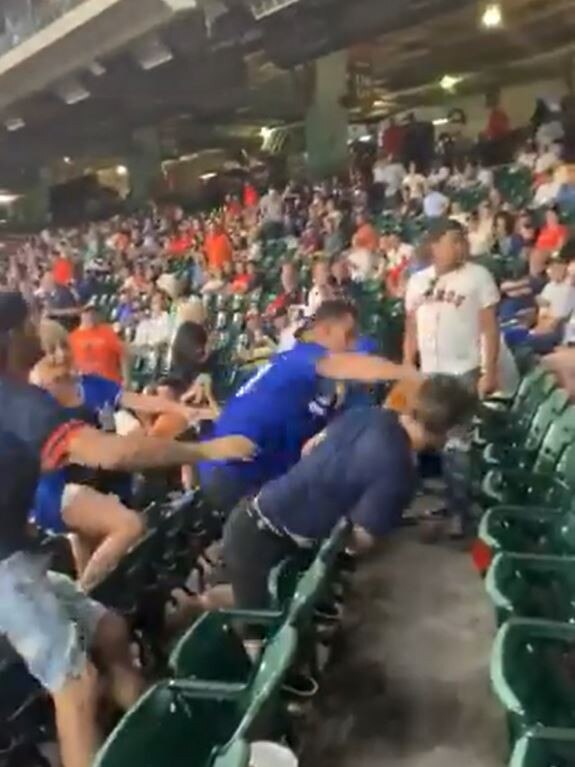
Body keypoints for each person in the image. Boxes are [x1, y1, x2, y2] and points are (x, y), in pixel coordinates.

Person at [0, 292, 251, 767]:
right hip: (4, 568)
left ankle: (166, 739)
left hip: (22, 557)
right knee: (75, 686)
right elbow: (114, 454)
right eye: (31, 325)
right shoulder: (16, 400)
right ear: (10, 337)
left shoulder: (24, 395)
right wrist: (206, 452)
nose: (42, 333)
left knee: (112, 630)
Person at [222, 375, 477, 613]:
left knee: (258, 600)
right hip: (260, 538)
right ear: (448, 430)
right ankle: (190, 608)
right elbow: (357, 543)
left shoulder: (368, 413)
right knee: (259, 637)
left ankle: (192, 605)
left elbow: (309, 448)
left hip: (261, 518)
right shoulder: (400, 471)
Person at [198, 299, 418, 513]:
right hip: (233, 471)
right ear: (324, 331)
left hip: (239, 470)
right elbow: (352, 367)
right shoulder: (303, 356)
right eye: (348, 336)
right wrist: (413, 375)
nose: (353, 345)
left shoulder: (308, 374)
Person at [403, 218, 500, 537]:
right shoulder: (417, 281)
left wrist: (490, 370)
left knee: (457, 445)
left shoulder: (478, 276)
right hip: (430, 373)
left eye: (462, 240)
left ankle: (460, 514)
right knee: (425, 439)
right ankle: (437, 502)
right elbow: (411, 329)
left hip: (463, 373)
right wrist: (407, 364)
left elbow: (489, 328)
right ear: (435, 245)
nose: (460, 246)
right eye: (452, 240)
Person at [69, 300, 126, 384]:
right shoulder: (72, 337)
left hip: (108, 383)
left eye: (94, 313)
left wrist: (126, 378)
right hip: (85, 384)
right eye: (87, 312)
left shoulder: (108, 332)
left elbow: (123, 354)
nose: (91, 316)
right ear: (80, 314)